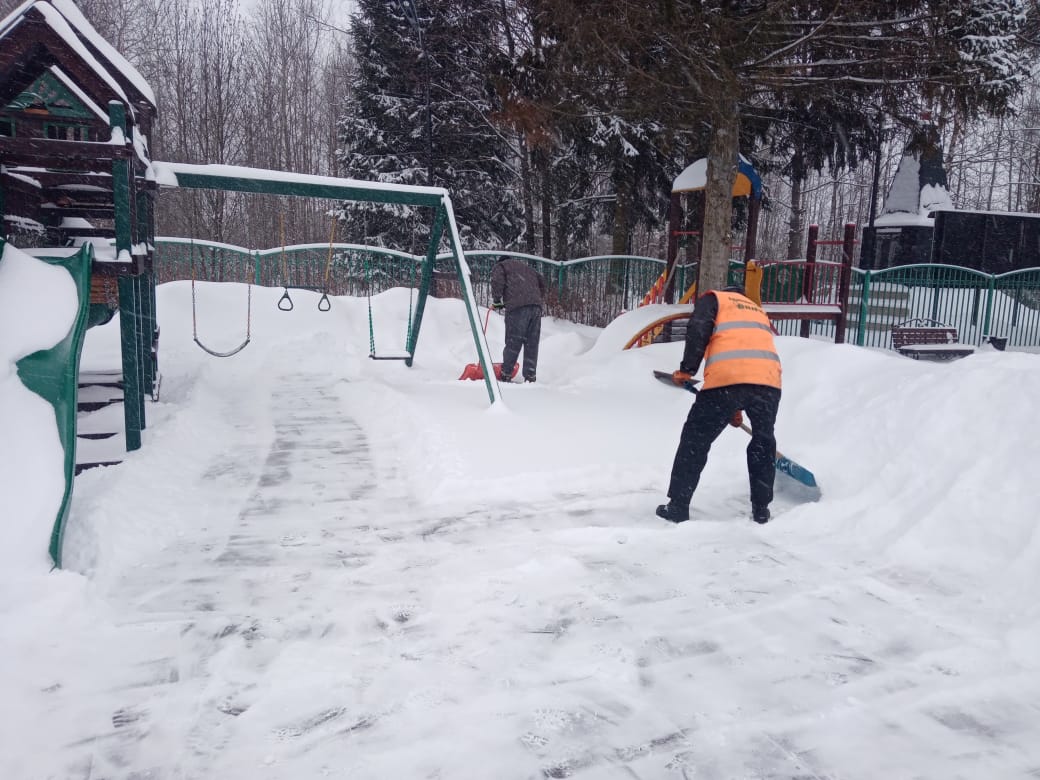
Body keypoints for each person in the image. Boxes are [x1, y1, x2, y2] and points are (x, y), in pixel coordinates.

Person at [657, 285, 782, 525]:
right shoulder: (756, 310)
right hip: (768, 383)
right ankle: (761, 510)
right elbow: (744, 351)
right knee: (763, 442)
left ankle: (678, 506)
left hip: (726, 382)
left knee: (696, 439)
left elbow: (698, 328)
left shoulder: (715, 299)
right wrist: (735, 409)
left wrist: (687, 369)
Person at [490, 257, 546, 383]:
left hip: (518, 307)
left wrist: (497, 300)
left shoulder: (502, 266)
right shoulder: (527, 268)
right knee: (532, 342)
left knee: (513, 341)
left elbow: (497, 281)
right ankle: (530, 376)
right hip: (536, 307)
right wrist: (535, 297)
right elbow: (542, 282)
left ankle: (506, 373)